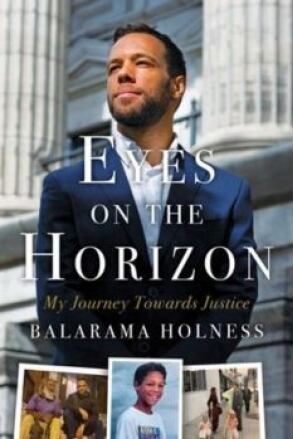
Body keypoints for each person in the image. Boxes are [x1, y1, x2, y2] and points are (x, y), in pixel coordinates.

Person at [34, 22, 258, 367]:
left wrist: (170, 374)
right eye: (113, 67)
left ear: (177, 87)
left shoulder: (228, 192)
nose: (123, 74)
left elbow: (235, 298)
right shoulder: (64, 187)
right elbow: (56, 296)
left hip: (187, 392)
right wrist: (129, 373)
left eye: (141, 63)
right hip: (89, 396)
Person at [115, 362, 167, 439]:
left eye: (160, 385)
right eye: (150, 384)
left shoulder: (158, 418)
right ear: (136, 385)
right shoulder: (128, 419)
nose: (156, 390)